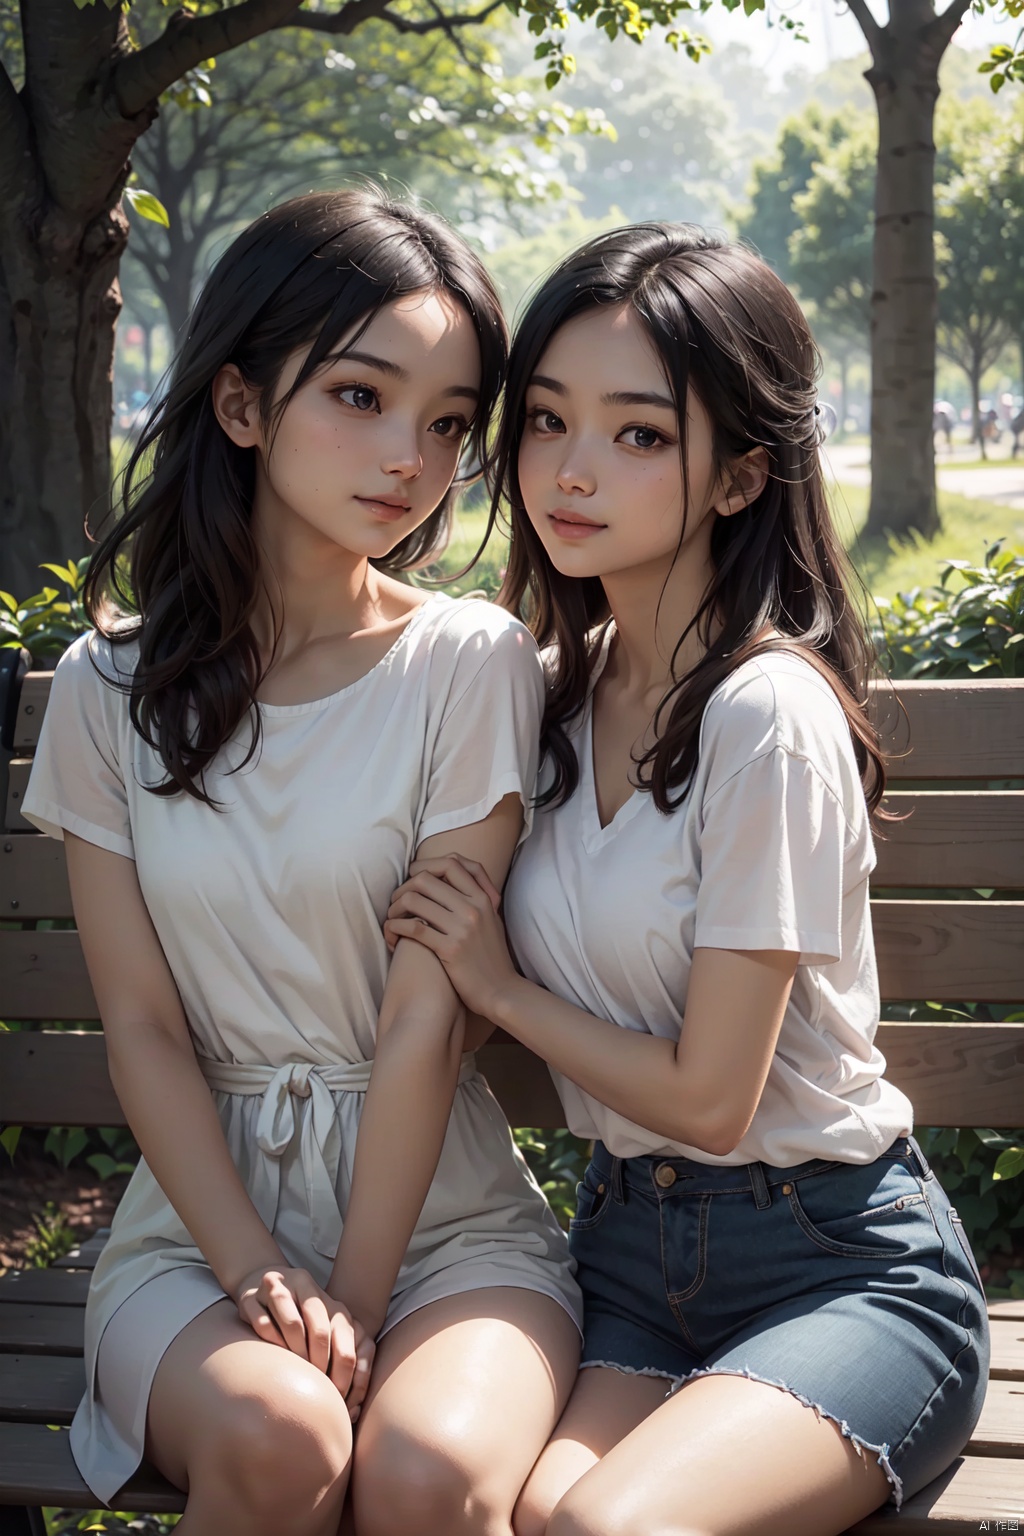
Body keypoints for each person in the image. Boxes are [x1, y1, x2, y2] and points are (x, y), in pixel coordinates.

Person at [386, 223, 991, 1536]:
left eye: (639, 435)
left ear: (740, 477)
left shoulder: (766, 716)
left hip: (842, 1273)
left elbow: (715, 1101)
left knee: (608, 1530)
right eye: (546, 421)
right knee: (520, 1517)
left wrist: (496, 984)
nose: (573, 469)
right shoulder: (548, 694)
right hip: (631, 1262)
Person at [23, 187, 581, 1536]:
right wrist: (265, 1273)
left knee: (424, 1475)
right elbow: (145, 1032)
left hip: (448, 1229)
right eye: (361, 396)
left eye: (450, 423)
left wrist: (360, 1304)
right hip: (200, 1237)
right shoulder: (112, 689)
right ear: (240, 405)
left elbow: (424, 1020)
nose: (410, 455)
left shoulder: (469, 663)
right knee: (283, 1441)